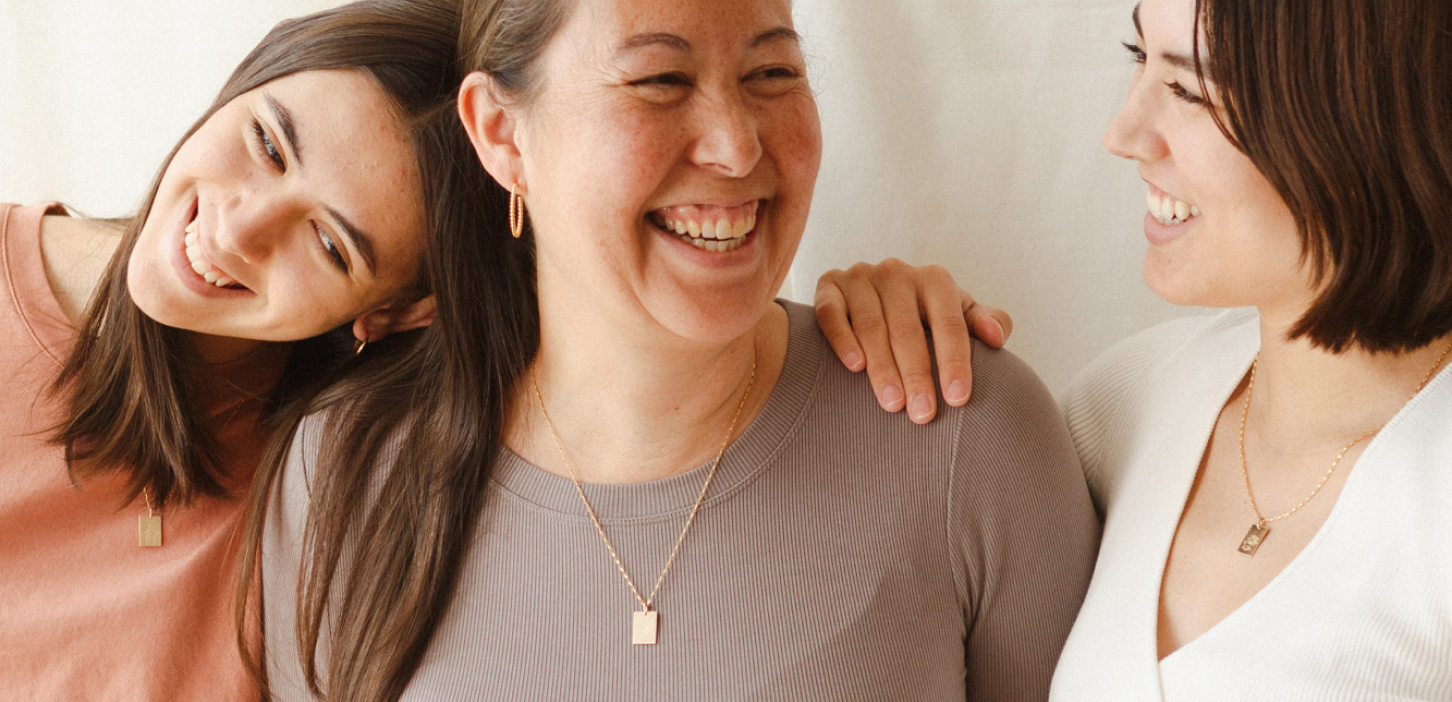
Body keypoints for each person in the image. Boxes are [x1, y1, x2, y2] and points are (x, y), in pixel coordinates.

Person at [257, 0, 1097, 700]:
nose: (736, 146)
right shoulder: (344, 469)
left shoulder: (967, 435)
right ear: (502, 134)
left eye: (773, 74)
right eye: (660, 80)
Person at [819, 0, 1452, 698]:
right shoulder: (1126, 400)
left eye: (1187, 89)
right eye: (1138, 57)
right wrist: (897, 321)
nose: (1123, 133)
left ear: (1364, 119)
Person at [0, 1, 500, 698]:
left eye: (329, 245)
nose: (240, 231)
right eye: (268, 144)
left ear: (395, 312)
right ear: (244, 80)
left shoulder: (322, 506)